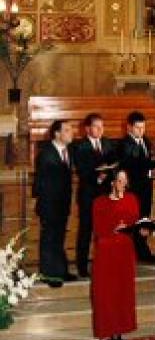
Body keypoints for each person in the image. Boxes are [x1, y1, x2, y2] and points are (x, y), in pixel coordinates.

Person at [91, 169, 141, 340]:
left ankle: (118, 334)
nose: (122, 184)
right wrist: (114, 228)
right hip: (106, 252)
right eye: (119, 180)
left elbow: (135, 222)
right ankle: (105, 337)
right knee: (106, 294)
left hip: (125, 251)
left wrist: (142, 229)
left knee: (122, 293)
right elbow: (98, 228)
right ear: (112, 182)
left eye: (125, 180)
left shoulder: (131, 199)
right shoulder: (99, 202)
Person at [32, 119, 76, 287]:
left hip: (62, 204)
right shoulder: (47, 153)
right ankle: (49, 275)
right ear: (57, 134)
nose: (71, 132)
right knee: (49, 239)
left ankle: (61, 271)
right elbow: (44, 184)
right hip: (50, 205)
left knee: (59, 238)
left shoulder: (67, 150)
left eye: (71, 129)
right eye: (67, 130)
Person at [73, 113, 116, 278]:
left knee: (104, 231)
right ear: (87, 129)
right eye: (96, 126)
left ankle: (103, 264)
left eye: (102, 126)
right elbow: (81, 170)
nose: (100, 130)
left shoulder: (107, 143)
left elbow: (114, 162)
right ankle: (82, 268)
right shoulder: (79, 146)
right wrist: (98, 177)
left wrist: (110, 172)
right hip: (88, 194)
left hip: (105, 194)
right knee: (86, 231)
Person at [118, 111, 155, 262]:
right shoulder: (124, 144)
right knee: (132, 218)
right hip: (134, 187)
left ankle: (142, 249)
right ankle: (132, 251)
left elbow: (146, 160)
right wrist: (149, 164)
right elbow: (130, 163)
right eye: (138, 128)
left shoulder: (146, 141)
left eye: (143, 127)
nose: (141, 131)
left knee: (144, 218)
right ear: (129, 128)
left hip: (147, 184)